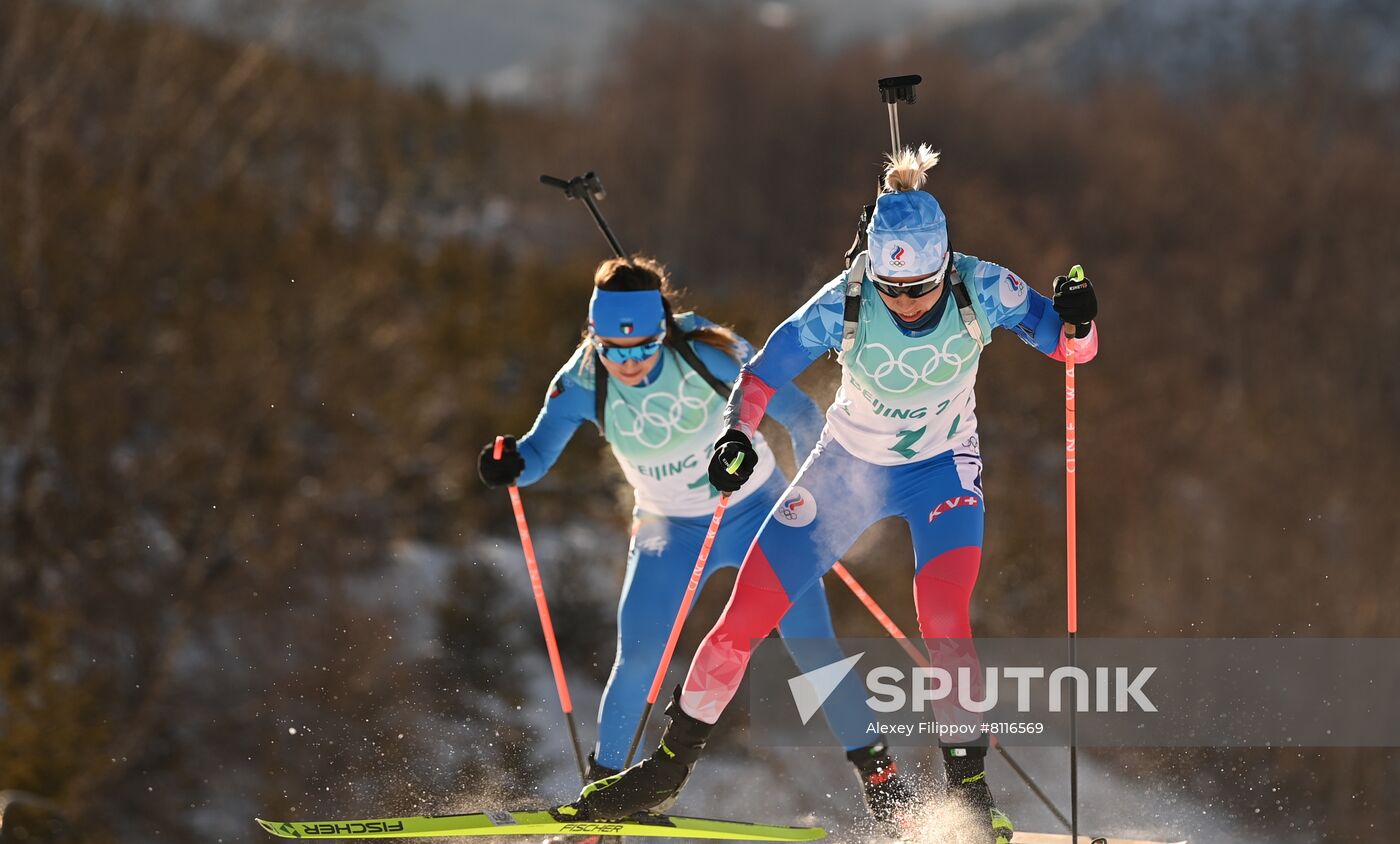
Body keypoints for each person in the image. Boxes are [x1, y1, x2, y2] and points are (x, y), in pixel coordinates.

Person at [566, 147, 1099, 844]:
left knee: (942, 616)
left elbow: (1070, 350)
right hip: (845, 472)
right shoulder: (846, 298)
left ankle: (969, 792)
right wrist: (735, 434)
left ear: (945, 266)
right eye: (892, 289)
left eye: (921, 289)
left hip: (942, 475)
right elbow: (760, 374)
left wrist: (1082, 320)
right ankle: (665, 771)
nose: (906, 304)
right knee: (743, 618)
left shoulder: (983, 287)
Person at [477, 256, 913, 825]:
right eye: (614, 350)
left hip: (759, 510)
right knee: (638, 661)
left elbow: (800, 413)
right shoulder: (582, 380)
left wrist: (820, 500)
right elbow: (536, 454)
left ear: (664, 329)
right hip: (668, 529)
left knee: (812, 645)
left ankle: (884, 787)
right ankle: (602, 805)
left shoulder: (710, 351)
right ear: (595, 339)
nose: (629, 363)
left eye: (643, 348)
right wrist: (509, 461)